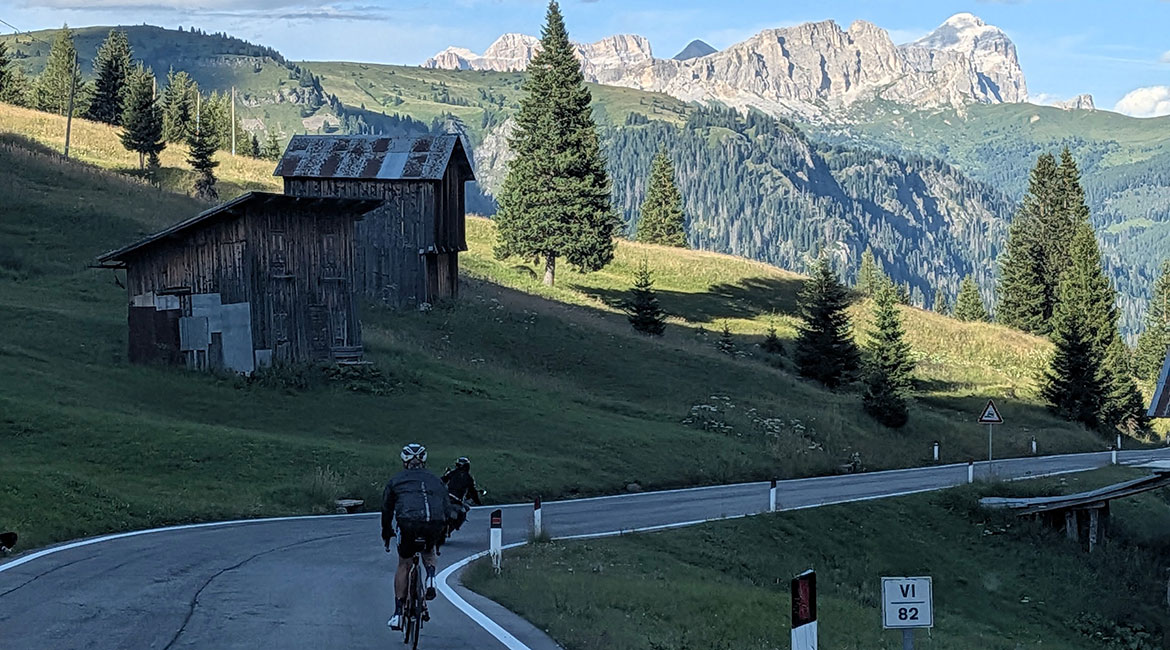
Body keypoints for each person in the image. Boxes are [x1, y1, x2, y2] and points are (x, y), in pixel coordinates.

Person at [382, 443, 450, 631]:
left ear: (404, 461)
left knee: (404, 563)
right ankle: (431, 576)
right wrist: (441, 535)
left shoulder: (396, 480)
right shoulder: (436, 480)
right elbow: (447, 508)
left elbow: (387, 510)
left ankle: (398, 614)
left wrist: (386, 532)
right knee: (429, 551)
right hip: (434, 522)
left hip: (408, 523)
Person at [441, 457, 482, 533]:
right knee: (463, 511)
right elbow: (473, 492)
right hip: (455, 500)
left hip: (446, 497)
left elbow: (442, 480)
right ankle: (453, 526)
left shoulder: (452, 473)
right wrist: (478, 502)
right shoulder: (468, 477)